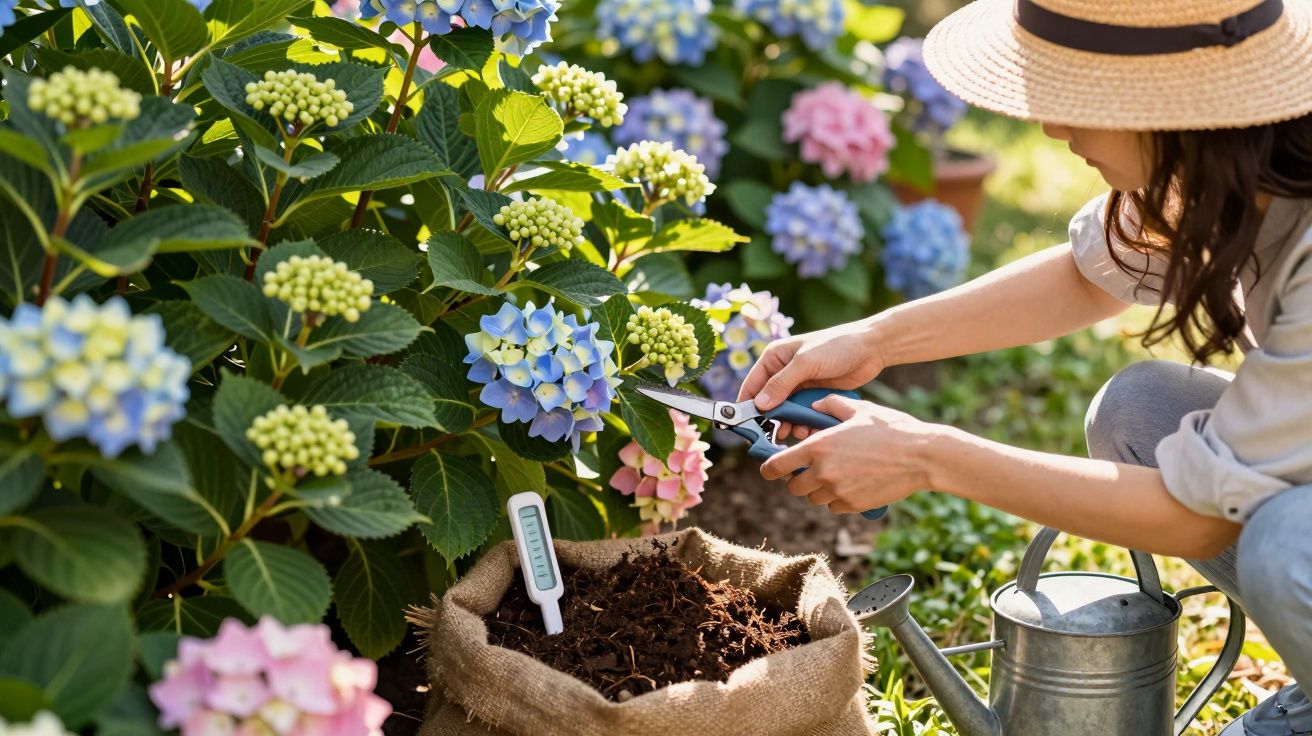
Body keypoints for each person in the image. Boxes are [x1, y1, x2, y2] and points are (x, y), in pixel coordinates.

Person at [738, 1, 1312, 733]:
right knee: (1138, 411)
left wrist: (925, 455)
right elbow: (1088, 277)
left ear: (1166, 101)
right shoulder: (1235, 164)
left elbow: (1195, 518)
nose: (1050, 125)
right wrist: (877, 339)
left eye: (1071, 96)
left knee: (1285, 541)